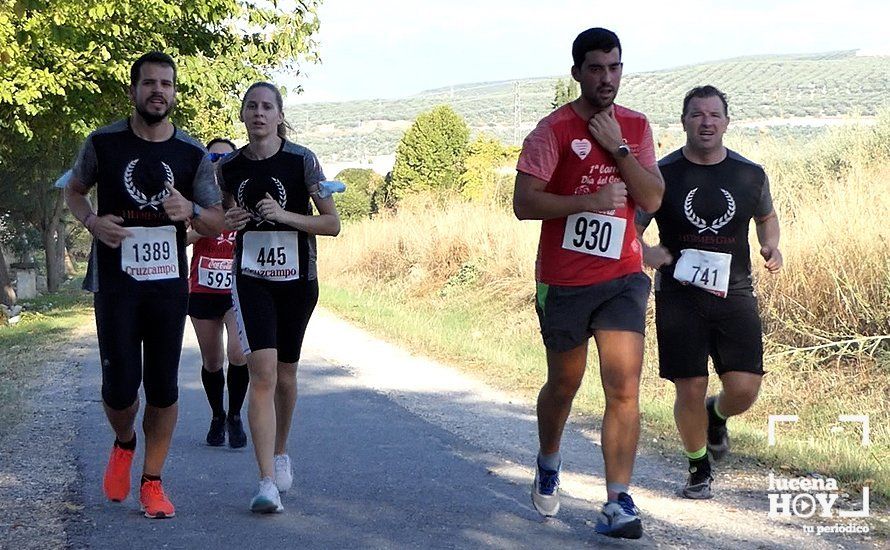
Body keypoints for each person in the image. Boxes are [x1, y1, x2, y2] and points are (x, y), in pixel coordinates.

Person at [513, 28, 664, 539]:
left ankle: (618, 501)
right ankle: (549, 458)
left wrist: (616, 147)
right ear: (577, 71)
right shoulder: (551, 130)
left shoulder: (635, 127)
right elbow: (524, 203)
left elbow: (653, 198)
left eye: (615, 67)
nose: (607, 78)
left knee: (623, 386)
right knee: (565, 383)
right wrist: (586, 201)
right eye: (596, 68)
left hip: (622, 276)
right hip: (564, 281)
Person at [64, 51, 225, 519]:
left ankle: (152, 482)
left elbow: (214, 219)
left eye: (167, 84)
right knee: (119, 389)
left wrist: (191, 212)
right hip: (116, 284)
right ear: (133, 91)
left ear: (174, 93)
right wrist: (93, 221)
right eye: (150, 83)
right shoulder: (103, 143)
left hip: (167, 287)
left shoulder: (192, 154)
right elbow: (73, 190)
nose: (159, 91)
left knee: (163, 387)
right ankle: (124, 441)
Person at [636, 85, 782, 500]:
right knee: (690, 385)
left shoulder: (749, 174)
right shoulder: (662, 175)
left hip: (734, 292)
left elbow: (767, 217)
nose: (706, 122)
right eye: (697, 115)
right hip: (679, 295)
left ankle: (715, 416)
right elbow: (633, 228)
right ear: (683, 122)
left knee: (745, 388)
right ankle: (698, 467)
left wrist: (772, 245)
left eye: (714, 115)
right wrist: (647, 254)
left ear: (726, 122)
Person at [218, 82, 340, 513]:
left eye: (267, 107)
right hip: (251, 278)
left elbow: (332, 224)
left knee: (286, 374)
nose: (258, 114)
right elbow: (223, 217)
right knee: (263, 373)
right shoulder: (228, 166)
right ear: (243, 114)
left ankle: (281, 450)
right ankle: (266, 480)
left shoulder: (302, 160)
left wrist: (284, 216)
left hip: (297, 278)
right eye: (251, 106)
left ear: (279, 115)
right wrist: (228, 219)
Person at [187, 138, 249, 448]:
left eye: (227, 157)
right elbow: (180, 239)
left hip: (237, 290)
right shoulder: (199, 202)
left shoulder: (245, 199)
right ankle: (216, 415)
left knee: (238, 354)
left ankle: (235, 416)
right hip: (202, 290)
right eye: (214, 157)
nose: (220, 162)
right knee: (213, 361)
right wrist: (202, 228)